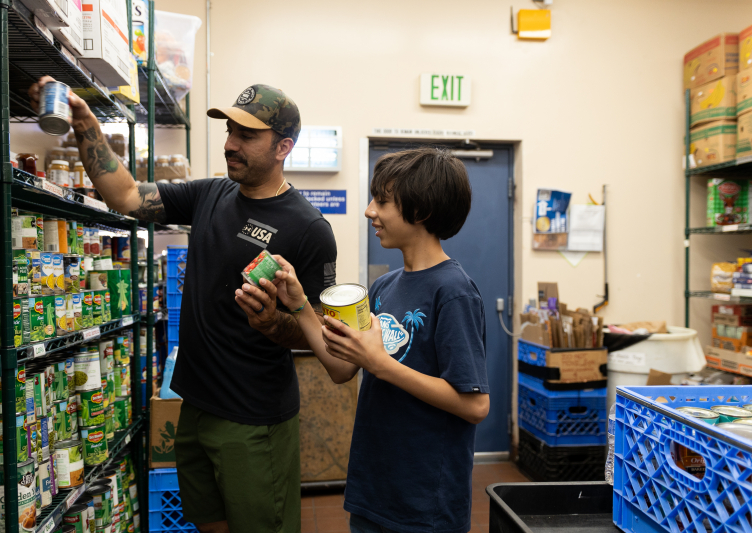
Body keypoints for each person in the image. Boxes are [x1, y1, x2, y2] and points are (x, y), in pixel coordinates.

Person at [28, 79, 338, 533]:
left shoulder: (309, 228)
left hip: (253, 419)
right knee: (207, 522)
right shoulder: (211, 195)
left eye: (247, 136)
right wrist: (85, 125)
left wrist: (273, 322)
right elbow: (128, 198)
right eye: (230, 131)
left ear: (283, 147)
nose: (231, 144)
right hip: (192, 402)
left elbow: (321, 330)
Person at [272, 147, 490, 533]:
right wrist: (300, 305)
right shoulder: (384, 286)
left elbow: (474, 405)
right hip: (374, 489)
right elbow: (342, 369)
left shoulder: (454, 292)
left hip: (426, 503)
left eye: (382, 201)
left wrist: (382, 365)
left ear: (420, 211)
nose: (370, 210)